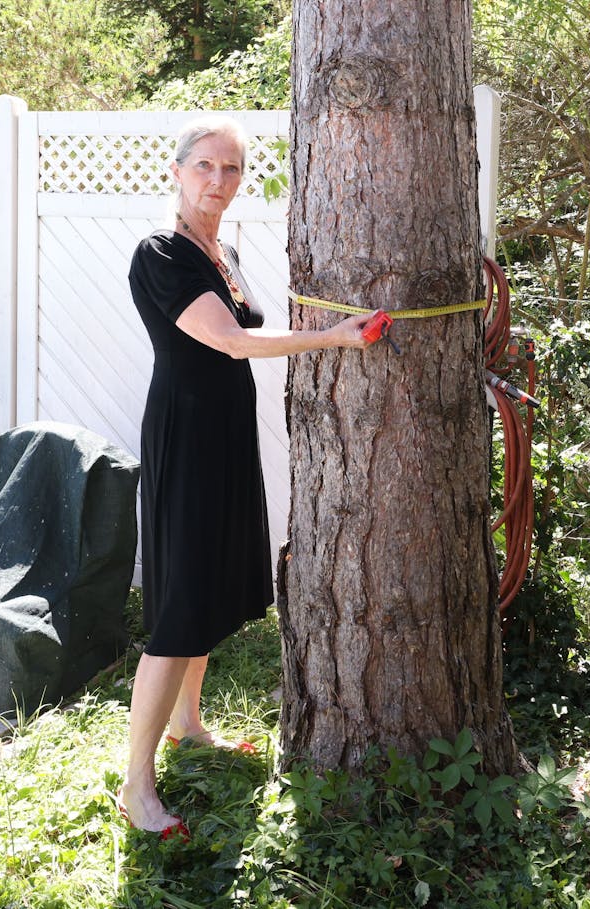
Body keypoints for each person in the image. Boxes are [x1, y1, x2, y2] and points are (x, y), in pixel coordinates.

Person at [118, 115, 376, 834]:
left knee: (202, 588)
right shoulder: (162, 252)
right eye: (205, 165)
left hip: (223, 436)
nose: (218, 181)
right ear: (176, 171)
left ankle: (187, 725)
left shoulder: (221, 250)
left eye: (231, 169)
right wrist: (331, 339)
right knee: (175, 611)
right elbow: (230, 340)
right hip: (186, 437)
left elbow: (245, 320)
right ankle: (135, 786)